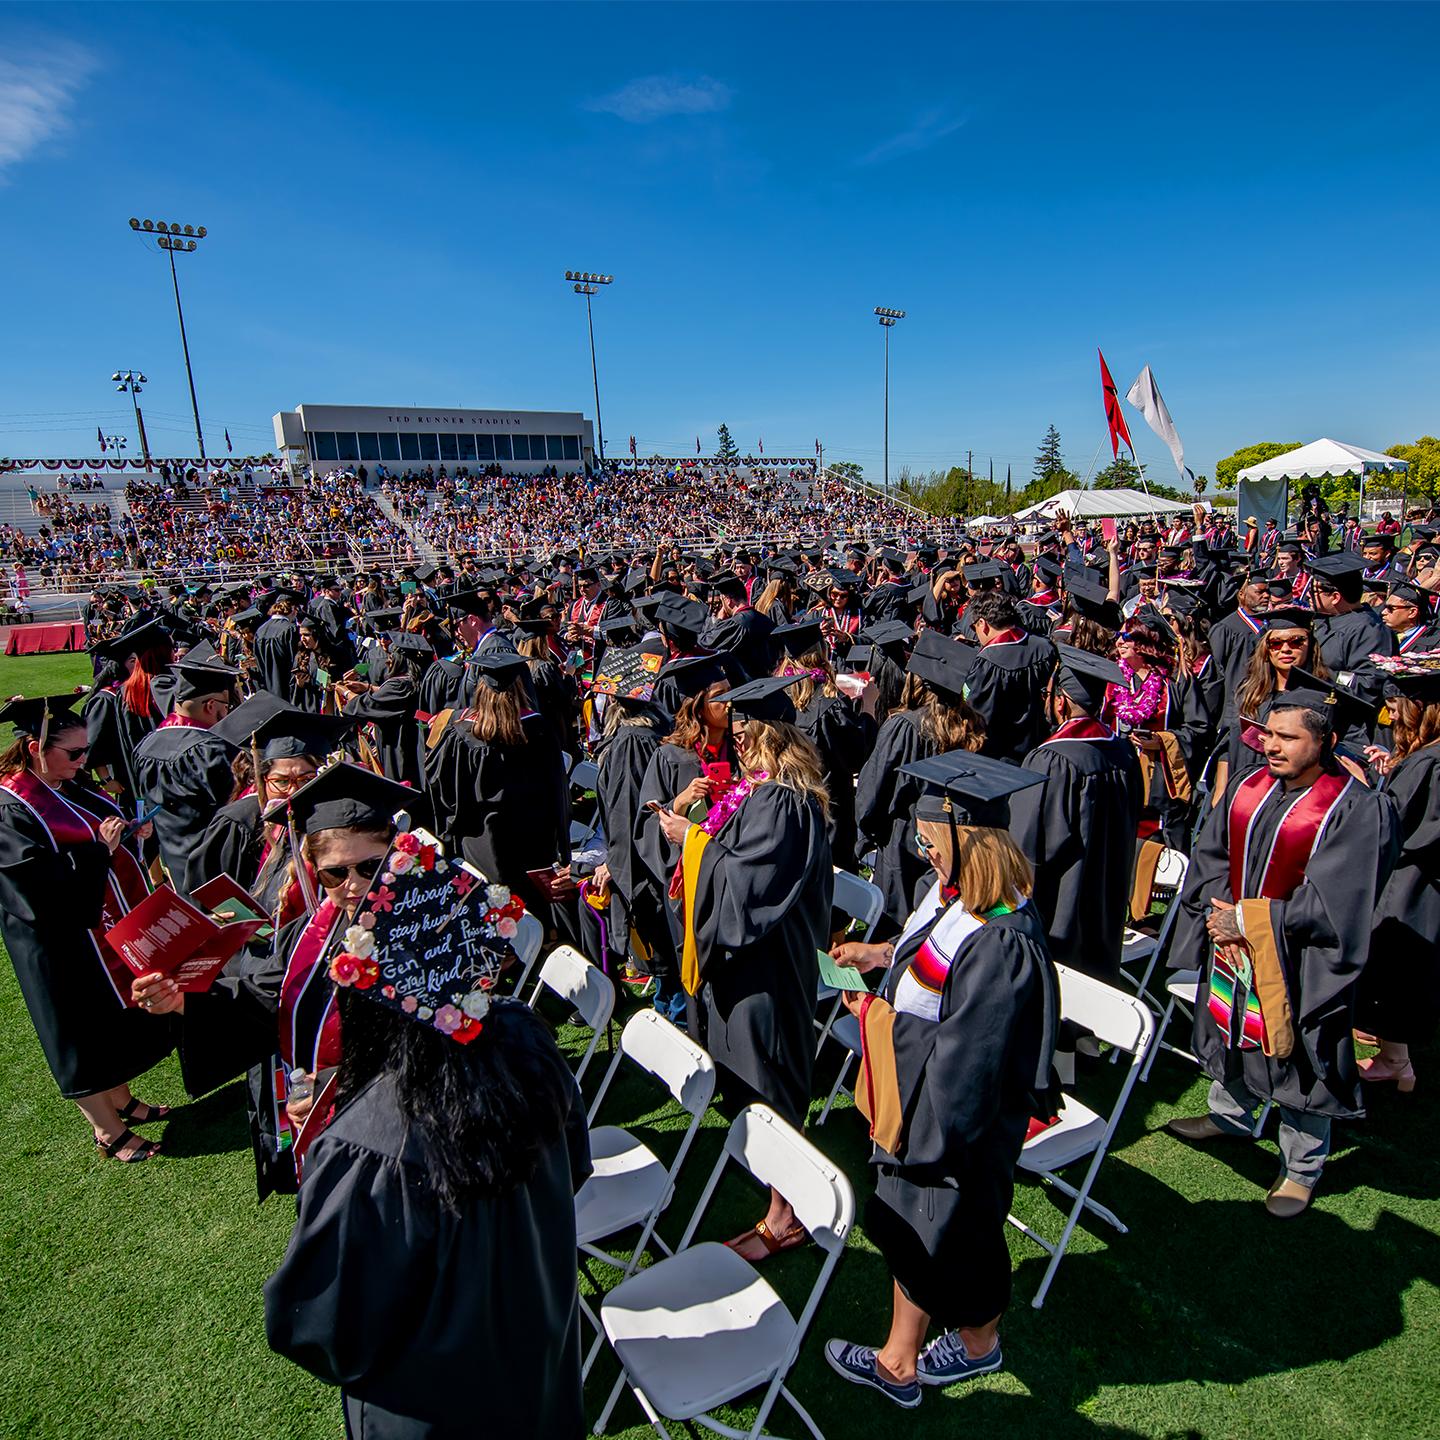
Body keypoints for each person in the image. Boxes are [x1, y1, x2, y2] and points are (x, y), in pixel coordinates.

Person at [823, 751, 1058, 1408]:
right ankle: (900, 1358)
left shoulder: (1001, 934)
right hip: (928, 1101)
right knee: (914, 1226)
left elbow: (965, 1057)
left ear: (970, 840)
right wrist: (877, 957)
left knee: (953, 1234)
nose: (925, 853)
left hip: (959, 1119)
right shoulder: (954, 896)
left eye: (932, 841)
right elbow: (926, 962)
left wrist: (877, 1019)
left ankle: (979, 1343)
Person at [1164, 679, 1397, 1217]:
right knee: (1231, 1030)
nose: (1270, 745)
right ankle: (1231, 1115)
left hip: (1301, 958)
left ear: (1327, 741)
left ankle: (1302, 1166)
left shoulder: (1355, 809)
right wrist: (1217, 910)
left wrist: (1247, 917)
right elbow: (1213, 855)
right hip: (1233, 942)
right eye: (1269, 733)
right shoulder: (1250, 785)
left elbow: (1340, 901)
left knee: (1300, 1055)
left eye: (1288, 738)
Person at [136, 763, 419, 1199]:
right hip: (329, 1129)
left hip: (404, 1135)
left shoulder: (426, 934)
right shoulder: (311, 933)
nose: (354, 885)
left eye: (369, 867)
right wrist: (181, 1001)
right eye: (334, 874)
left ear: (396, 856)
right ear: (313, 868)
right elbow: (263, 995)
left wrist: (336, 1094)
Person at [655, 675, 832, 1260]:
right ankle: (777, 1190)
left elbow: (748, 886)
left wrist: (692, 840)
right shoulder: (762, 793)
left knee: (771, 1082)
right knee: (750, 1079)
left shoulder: (784, 802)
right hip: (746, 965)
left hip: (769, 972)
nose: (735, 745)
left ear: (766, 739)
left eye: (743, 736)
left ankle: (789, 1214)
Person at [0, 695, 170, 1163]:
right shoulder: (9, 808)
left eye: (85, 752)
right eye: (74, 753)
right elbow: (37, 888)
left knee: (102, 1023)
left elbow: (91, 832)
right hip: (52, 942)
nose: (83, 762)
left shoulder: (62, 784)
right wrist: (98, 851)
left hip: (91, 931)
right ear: (36, 748)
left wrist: (132, 834)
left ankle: (122, 1101)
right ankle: (106, 1130)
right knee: (74, 1032)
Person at [1017, 646, 1142, 981]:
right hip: (1108, 892)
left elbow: (1028, 844)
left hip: (1061, 902)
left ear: (1060, 702)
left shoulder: (1052, 760)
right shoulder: (1124, 752)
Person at [856, 630, 986, 932]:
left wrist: (871, 834)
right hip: (956, 838)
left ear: (916, 679)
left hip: (905, 840)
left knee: (898, 924)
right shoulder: (973, 725)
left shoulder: (903, 726)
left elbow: (873, 791)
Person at [424, 651, 569, 914]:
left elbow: (441, 789)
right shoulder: (538, 730)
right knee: (530, 912)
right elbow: (556, 789)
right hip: (531, 843)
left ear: (480, 688)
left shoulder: (461, 732)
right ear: (519, 686)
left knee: (487, 909)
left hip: (479, 843)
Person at [1354, 665, 1440, 1091]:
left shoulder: (1430, 761)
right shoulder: (1431, 756)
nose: (1391, 719)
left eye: (1395, 709)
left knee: (1397, 965)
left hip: (1412, 883)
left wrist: (1363, 788)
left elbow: (1396, 823)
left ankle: (1395, 1061)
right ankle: (1392, 1048)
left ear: (1418, 708)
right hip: (1426, 883)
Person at [189, 695, 352, 911]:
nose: (294, 791)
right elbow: (207, 894)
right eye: (282, 781)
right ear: (263, 780)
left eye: (307, 779)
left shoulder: (339, 826)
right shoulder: (241, 821)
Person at [133, 655, 241, 885]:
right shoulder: (213, 751)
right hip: (218, 868)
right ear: (211, 706)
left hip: (175, 865)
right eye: (226, 705)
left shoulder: (146, 746)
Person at [962, 590, 1057, 763]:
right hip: (1042, 748)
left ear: (982, 623)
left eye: (974, 627)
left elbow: (977, 712)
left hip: (1003, 756)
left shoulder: (988, 663)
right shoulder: (1045, 647)